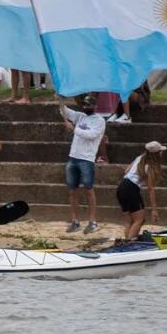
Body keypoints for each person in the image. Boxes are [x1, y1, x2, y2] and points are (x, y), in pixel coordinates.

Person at [60, 95, 106, 233]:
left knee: (88, 190)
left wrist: (73, 129)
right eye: (85, 105)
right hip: (73, 157)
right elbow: (64, 111)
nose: (86, 107)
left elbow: (91, 135)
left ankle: (92, 222)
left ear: (95, 106)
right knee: (72, 191)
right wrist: (60, 100)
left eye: (89, 105)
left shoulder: (99, 121)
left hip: (87, 158)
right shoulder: (80, 116)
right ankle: (75, 221)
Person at [117, 141, 165, 240]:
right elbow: (150, 189)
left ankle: (127, 241)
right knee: (140, 220)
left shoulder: (139, 158)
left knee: (129, 220)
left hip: (122, 186)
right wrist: (154, 210)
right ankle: (129, 244)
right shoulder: (150, 166)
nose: (162, 153)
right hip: (131, 189)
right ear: (156, 154)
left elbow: (126, 171)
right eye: (160, 151)